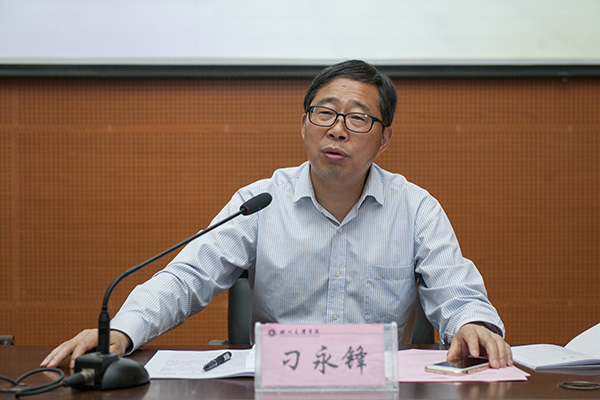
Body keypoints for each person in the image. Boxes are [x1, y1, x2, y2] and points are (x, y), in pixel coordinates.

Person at [42, 60, 512, 370]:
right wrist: (122, 331)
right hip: (279, 386)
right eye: (325, 113)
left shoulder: (415, 207)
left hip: (378, 386)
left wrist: (473, 325)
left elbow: (456, 290)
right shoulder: (260, 201)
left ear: (384, 138)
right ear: (304, 123)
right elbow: (186, 278)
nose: (338, 130)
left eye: (358, 118)